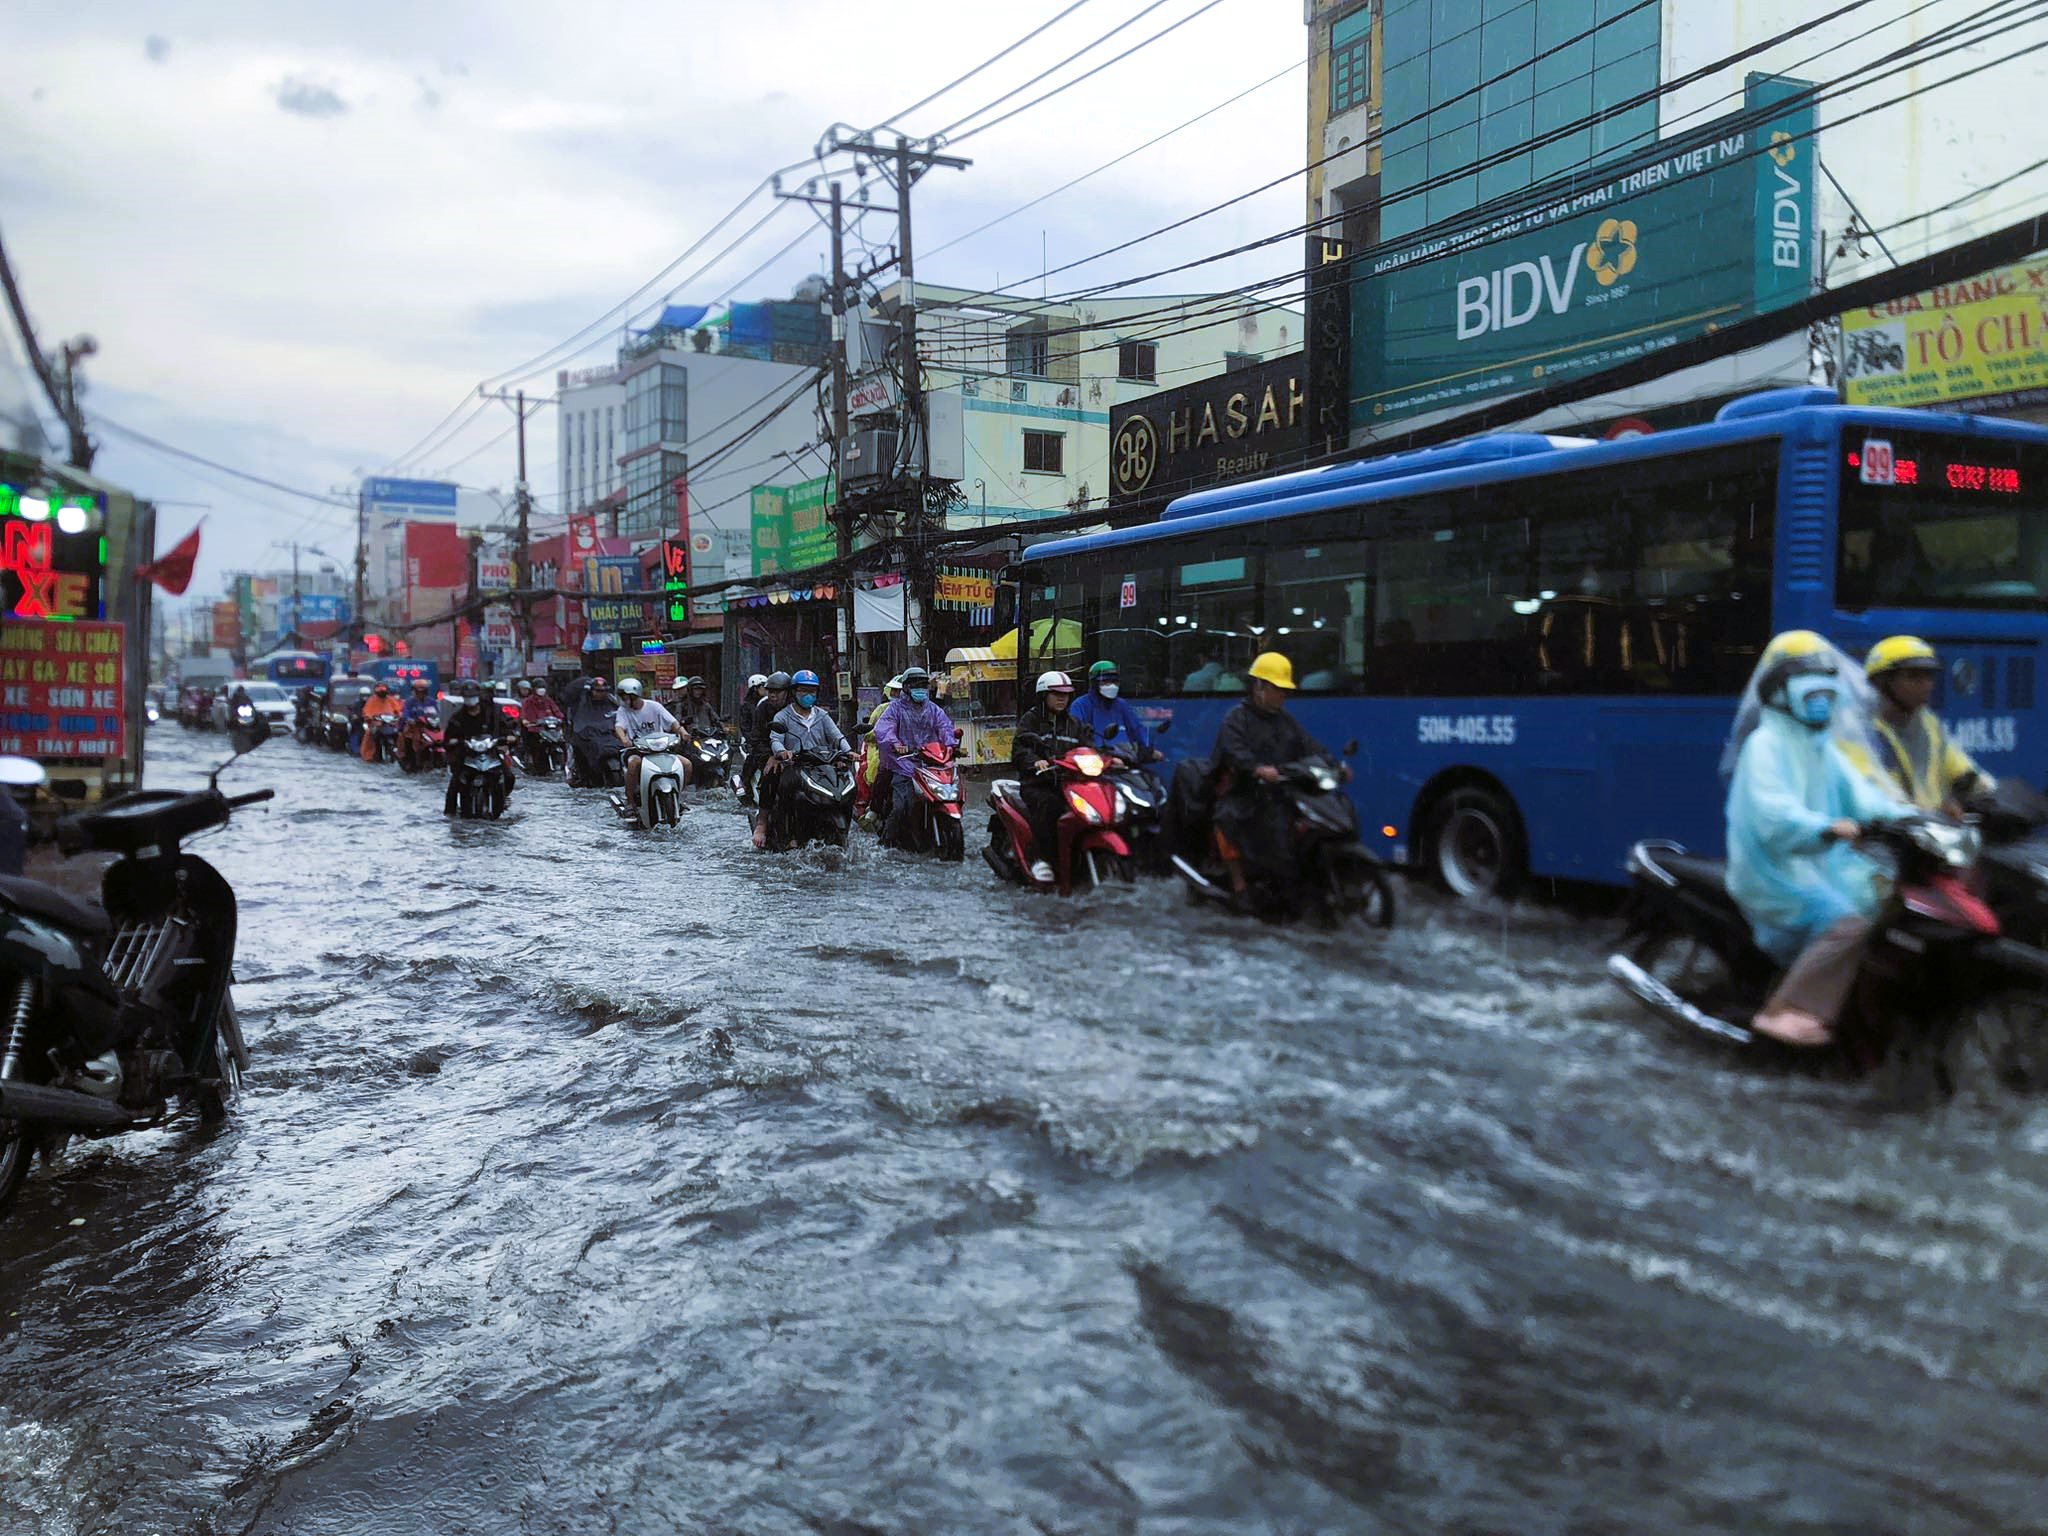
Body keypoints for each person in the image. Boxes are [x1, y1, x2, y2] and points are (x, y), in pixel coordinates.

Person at [1724, 630, 1910, 1047]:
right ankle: (1782, 1011)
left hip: (1823, 862)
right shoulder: (1764, 746)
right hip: (1774, 869)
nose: (1822, 704)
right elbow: (1773, 815)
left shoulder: (1823, 749)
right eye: (1812, 696)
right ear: (1784, 697)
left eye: (1828, 696)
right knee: (1848, 923)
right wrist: (1823, 828)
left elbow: (1865, 797)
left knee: (1889, 906)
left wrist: (1912, 819)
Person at [1207, 652, 1343, 897]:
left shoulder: (1284, 720)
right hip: (1242, 790)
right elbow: (1233, 751)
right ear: (1259, 687)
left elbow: (1309, 746)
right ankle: (1240, 886)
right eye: (1277, 688)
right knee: (1227, 820)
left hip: (1277, 791)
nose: (1283, 695)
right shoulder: (1236, 718)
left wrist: (1334, 765)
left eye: (1285, 690)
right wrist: (1256, 768)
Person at [1850, 635, 1992, 815]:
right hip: (1888, 834)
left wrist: (1991, 798)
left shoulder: (1928, 724)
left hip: (1933, 832)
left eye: (1929, 676)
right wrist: (1925, 811)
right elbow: (1873, 791)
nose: (1927, 685)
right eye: (1914, 677)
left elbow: (1965, 774)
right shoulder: (1860, 731)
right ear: (1882, 681)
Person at [1010, 669, 1095, 882]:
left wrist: (1105, 759)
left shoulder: (1075, 724)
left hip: (1069, 784)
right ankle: (1042, 859)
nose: (1061, 698)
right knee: (1050, 807)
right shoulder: (1031, 721)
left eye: (1065, 694)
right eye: (1056, 694)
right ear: (1043, 695)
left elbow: (1089, 748)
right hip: (1038, 783)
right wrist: (1034, 762)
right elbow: (1020, 748)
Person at [757, 669, 849, 848]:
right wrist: (782, 752)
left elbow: (837, 737)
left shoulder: (822, 716)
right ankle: (767, 826)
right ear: (794, 692)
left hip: (821, 766)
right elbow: (775, 739)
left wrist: (849, 751)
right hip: (795, 766)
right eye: (803, 691)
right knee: (782, 786)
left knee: (844, 786)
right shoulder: (783, 716)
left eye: (812, 691)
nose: (808, 695)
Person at [873, 666, 956, 842]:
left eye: (924, 685)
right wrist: (896, 743)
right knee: (901, 806)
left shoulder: (934, 709)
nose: (920, 689)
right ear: (906, 688)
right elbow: (884, 729)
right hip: (903, 763)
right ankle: (885, 843)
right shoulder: (894, 708)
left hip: (930, 763)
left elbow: (945, 727)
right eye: (916, 685)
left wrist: (950, 745)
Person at [1070, 660, 1162, 764]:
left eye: (1115, 681)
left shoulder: (1122, 705)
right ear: (1094, 683)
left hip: (1126, 758)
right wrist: (1104, 757)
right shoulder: (1080, 705)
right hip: (1096, 762)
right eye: (1106, 681)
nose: (1112, 686)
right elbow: (1077, 735)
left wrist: (1148, 750)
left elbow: (1137, 729)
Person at [614, 676, 687, 806]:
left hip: (660, 749)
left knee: (686, 764)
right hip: (637, 750)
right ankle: (630, 802)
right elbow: (619, 726)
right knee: (633, 764)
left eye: (628, 697)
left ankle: (679, 797)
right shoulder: (623, 710)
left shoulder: (655, 706)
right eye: (623, 697)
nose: (626, 700)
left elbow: (672, 722)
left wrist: (682, 731)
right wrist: (624, 739)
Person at [442, 684, 511, 814]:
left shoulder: (491, 714)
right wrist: (455, 741)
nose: (470, 700)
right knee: (455, 783)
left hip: (490, 753)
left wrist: (509, 736)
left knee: (508, 776)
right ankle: (450, 813)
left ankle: (502, 801)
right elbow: (448, 738)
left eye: (473, 696)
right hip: (466, 754)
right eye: (467, 697)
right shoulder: (458, 717)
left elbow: (505, 726)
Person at [740, 671, 791, 806]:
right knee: (770, 776)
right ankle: (763, 818)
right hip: (767, 749)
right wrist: (769, 756)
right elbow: (756, 735)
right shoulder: (761, 707)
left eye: (778, 692)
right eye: (770, 691)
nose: (773, 695)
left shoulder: (798, 708)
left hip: (794, 754)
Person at [857, 674, 904, 816]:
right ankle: (871, 808)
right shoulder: (881, 710)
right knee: (876, 770)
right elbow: (870, 734)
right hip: (883, 750)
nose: (898, 694)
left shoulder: (922, 710)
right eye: (896, 691)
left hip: (912, 752)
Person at [566, 673, 618, 786]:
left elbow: (617, 716)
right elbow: (579, 719)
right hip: (586, 736)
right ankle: (583, 776)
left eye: (604, 691)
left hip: (607, 735)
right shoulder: (581, 702)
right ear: (591, 691)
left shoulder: (611, 702)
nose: (601, 693)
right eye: (598, 691)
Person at [359, 682, 404, 761]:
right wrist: (369, 717)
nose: (382, 693)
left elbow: (398, 710)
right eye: (380, 692)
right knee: (369, 734)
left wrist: (400, 716)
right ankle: (370, 754)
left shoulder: (391, 700)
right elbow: (366, 711)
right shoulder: (371, 700)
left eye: (383, 692)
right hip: (377, 724)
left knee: (400, 734)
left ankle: (401, 753)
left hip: (390, 723)